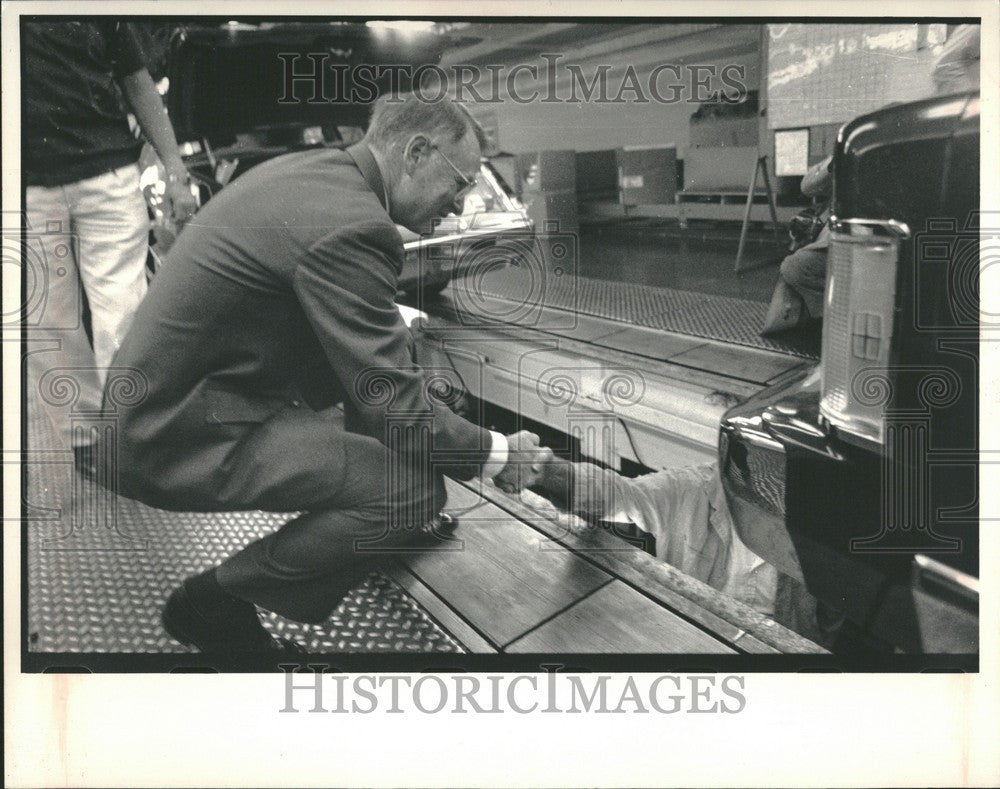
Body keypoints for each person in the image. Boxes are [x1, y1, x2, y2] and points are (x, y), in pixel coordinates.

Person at [103, 94, 549, 654]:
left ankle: (373, 528)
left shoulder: (321, 175)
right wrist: (497, 454)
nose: (457, 207)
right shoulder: (355, 227)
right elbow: (394, 404)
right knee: (409, 493)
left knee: (395, 355)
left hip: (187, 398)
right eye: (457, 185)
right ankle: (213, 603)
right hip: (176, 432)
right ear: (415, 152)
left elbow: (365, 367)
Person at [23, 21, 197, 475]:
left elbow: (138, 83)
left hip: (108, 174)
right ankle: (85, 441)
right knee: (49, 322)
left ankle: (136, 435)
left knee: (125, 312)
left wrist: (175, 168)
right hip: (24, 187)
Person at [760, 155, 832, 335]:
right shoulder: (845, 153)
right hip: (832, 232)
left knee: (794, 267)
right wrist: (832, 166)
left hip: (851, 238)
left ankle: (827, 318)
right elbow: (807, 186)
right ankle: (820, 315)